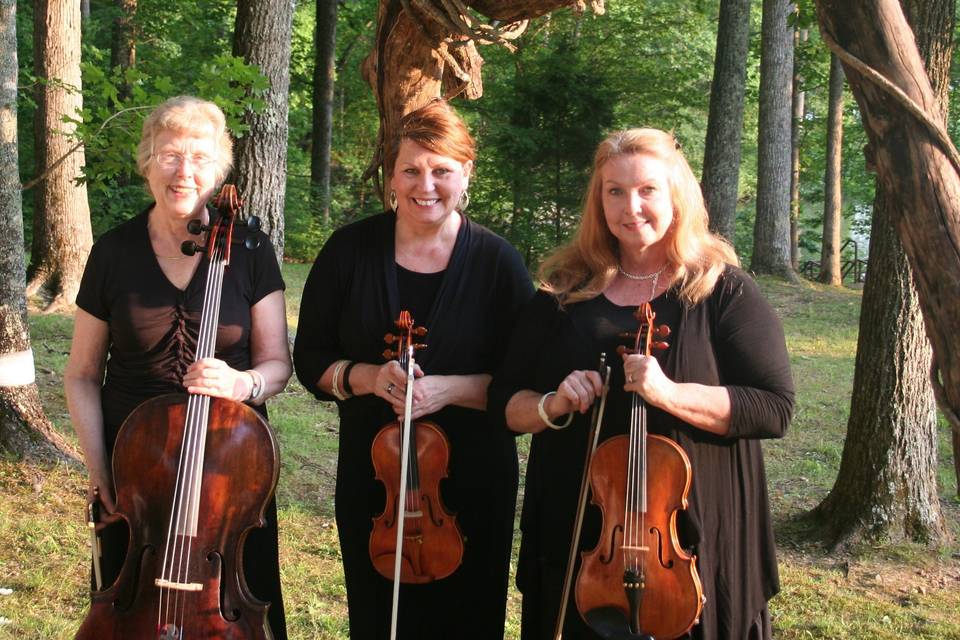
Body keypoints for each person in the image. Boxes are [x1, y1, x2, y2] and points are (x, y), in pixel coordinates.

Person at [488, 128, 794, 640]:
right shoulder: (563, 291)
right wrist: (553, 403)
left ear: (676, 194)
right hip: (583, 533)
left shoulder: (720, 288)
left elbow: (773, 406)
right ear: (598, 199)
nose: (631, 206)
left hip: (690, 537)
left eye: (647, 189)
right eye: (615, 191)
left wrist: (669, 392)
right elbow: (504, 404)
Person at [293, 99, 532, 639]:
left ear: (466, 173)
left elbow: (523, 385)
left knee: (469, 619)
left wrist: (449, 389)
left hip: (474, 482)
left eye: (442, 170)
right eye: (412, 170)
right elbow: (310, 360)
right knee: (379, 620)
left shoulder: (498, 263)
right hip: (376, 481)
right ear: (392, 177)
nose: (427, 184)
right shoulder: (348, 252)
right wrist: (367, 378)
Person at [64, 96, 291, 638]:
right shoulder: (113, 253)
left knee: (235, 603)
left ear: (220, 168)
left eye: (199, 157)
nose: (183, 171)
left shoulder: (251, 248)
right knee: (131, 604)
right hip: (135, 472)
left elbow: (277, 364)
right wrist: (101, 472)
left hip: (230, 476)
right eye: (168, 155)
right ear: (147, 162)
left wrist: (243, 383)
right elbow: (80, 373)